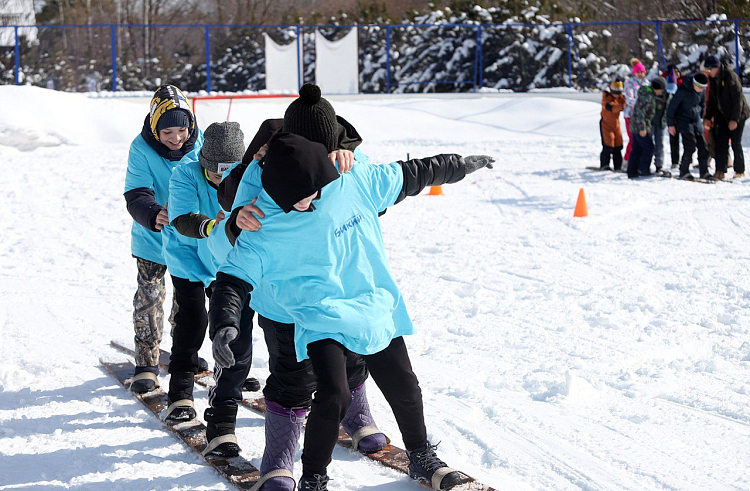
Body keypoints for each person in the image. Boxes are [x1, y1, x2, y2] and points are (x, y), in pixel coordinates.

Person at [208, 128, 494, 491]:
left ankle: (421, 456)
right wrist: (223, 324)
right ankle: (314, 478)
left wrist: (458, 166)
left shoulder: (355, 181)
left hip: (373, 304)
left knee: (404, 384)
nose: (307, 200)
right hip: (320, 316)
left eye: (313, 191)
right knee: (334, 394)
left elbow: (411, 174)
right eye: (295, 197)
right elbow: (233, 277)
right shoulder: (264, 221)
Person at [212, 89, 390, 491]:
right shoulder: (260, 168)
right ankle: (277, 460)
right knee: (292, 375)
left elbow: (372, 202)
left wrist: (350, 160)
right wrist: (237, 220)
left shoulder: (343, 154)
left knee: (351, 357)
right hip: (283, 298)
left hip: (338, 289)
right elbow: (227, 241)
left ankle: (356, 415)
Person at [161, 121, 261, 458]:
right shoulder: (186, 174)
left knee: (233, 330)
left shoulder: (251, 176)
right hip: (189, 257)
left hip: (228, 263)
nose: (221, 176)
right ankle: (180, 392)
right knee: (192, 322)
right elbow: (183, 219)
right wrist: (216, 225)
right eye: (215, 170)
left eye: (230, 169)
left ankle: (229, 380)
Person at [123, 84, 204, 393]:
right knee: (150, 299)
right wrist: (152, 213)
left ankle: (186, 353)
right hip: (152, 238)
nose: (175, 138)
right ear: (156, 126)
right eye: (167, 131)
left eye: (181, 130)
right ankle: (146, 361)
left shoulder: (201, 144)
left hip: (190, 237)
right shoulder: (141, 148)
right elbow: (136, 192)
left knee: (189, 301)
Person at [703, 55, 750, 179]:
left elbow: (738, 100)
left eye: (709, 69)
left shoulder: (730, 76)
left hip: (738, 114)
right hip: (723, 114)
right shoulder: (713, 80)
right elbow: (712, 100)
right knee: (721, 142)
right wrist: (708, 117)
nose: (708, 72)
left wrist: (735, 120)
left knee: (736, 143)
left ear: (716, 67)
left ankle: (740, 170)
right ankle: (720, 170)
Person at [666, 73, 713, 181]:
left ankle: (704, 171)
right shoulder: (682, 91)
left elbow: (702, 105)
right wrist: (671, 124)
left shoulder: (701, 92)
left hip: (696, 121)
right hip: (684, 121)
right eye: (700, 87)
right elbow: (671, 108)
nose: (702, 90)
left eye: (704, 88)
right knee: (690, 145)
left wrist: (700, 117)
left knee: (703, 146)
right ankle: (684, 170)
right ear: (694, 83)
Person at [627, 77, 666, 178]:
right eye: (661, 90)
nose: (661, 92)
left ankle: (632, 171)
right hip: (639, 126)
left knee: (637, 148)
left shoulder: (648, 94)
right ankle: (643, 169)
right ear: (657, 88)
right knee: (649, 148)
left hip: (636, 125)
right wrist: (642, 128)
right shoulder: (647, 96)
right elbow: (641, 113)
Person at [624, 58, 649, 164]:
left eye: (642, 72)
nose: (640, 74)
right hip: (631, 115)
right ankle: (627, 160)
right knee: (632, 139)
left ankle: (638, 161)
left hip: (643, 116)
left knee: (642, 140)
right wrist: (639, 106)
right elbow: (629, 98)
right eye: (638, 72)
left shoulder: (646, 83)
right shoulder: (630, 83)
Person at [599, 79, 625, 171]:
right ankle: (604, 164)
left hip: (616, 125)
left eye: (619, 93)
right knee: (608, 146)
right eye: (615, 93)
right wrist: (622, 106)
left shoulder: (620, 97)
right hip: (606, 125)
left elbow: (626, 100)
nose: (617, 95)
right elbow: (611, 108)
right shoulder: (606, 98)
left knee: (618, 146)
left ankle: (618, 165)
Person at [663, 64, 683, 169]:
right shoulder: (667, 83)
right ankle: (675, 160)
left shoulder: (683, 83)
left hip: (683, 116)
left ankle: (687, 159)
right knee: (674, 139)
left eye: (677, 72)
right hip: (672, 117)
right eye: (673, 73)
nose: (676, 74)